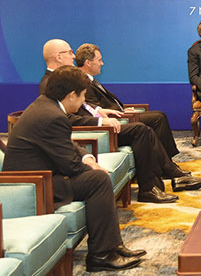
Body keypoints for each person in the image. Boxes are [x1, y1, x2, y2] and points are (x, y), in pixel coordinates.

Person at [3, 66, 145, 272]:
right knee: (98, 180)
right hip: (33, 185)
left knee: (96, 175)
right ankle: (101, 255)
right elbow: (70, 165)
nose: (83, 101)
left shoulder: (46, 106)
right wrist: (94, 169)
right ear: (71, 95)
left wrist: (88, 158)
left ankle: (113, 247)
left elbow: (67, 145)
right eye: (83, 95)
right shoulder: (52, 116)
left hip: (42, 175)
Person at [40, 39, 201, 203]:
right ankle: (153, 186)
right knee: (141, 130)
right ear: (59, 57)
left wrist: (98, 111)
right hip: (93, 133)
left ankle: (165, 179)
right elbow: (67, 119)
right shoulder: (50, 83)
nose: (73, 56)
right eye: (70, 52)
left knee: (146, 128)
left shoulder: (60, 78)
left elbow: (82, 107)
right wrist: (100, 122)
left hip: (98, 125)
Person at [74, 43, 179, 158]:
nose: (102, 63)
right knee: (158, 118)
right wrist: (121, 112)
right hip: (114, 119)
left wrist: (122, 109)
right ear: (88, 62)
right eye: (99, 60)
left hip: (120, 114)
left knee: (159, 115)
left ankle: (165, 159)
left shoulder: (91, 79)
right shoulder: (82, 82)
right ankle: (166, 160)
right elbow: (95, 109)